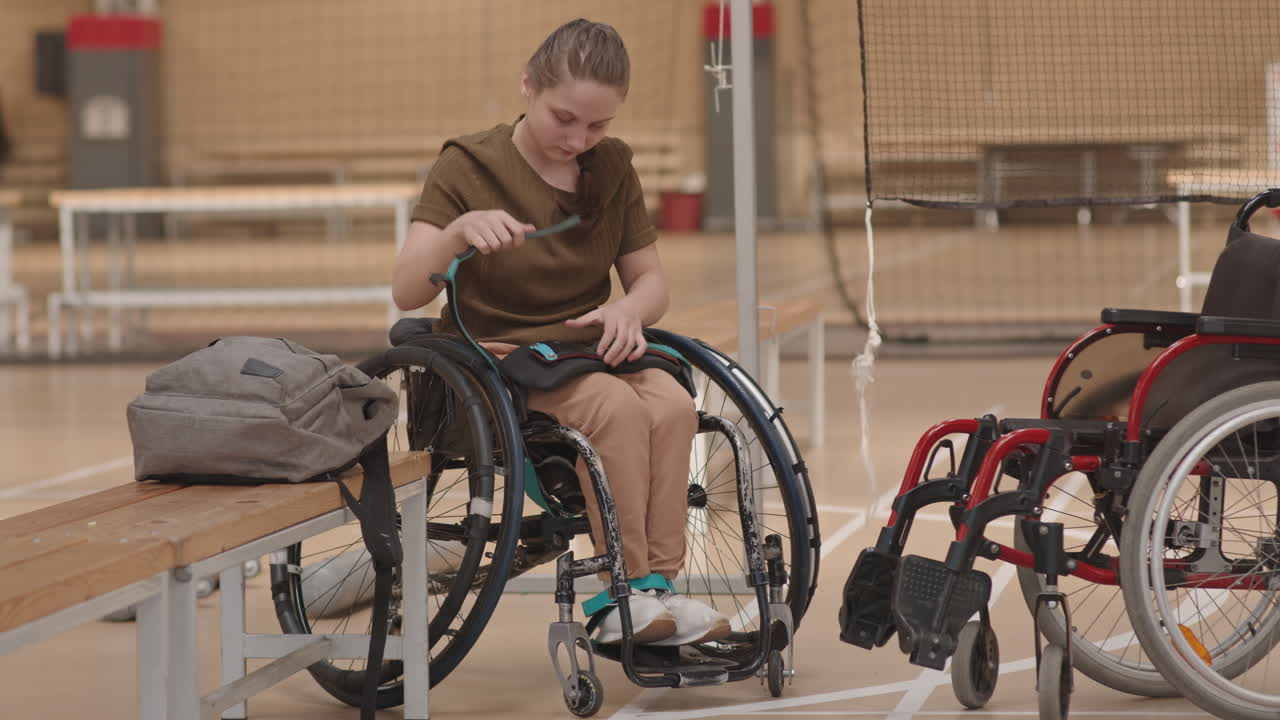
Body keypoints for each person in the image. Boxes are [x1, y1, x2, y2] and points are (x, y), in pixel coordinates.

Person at [391, 19, 729, 646]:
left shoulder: (613, 169)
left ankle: (657, 588)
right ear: (527, 85)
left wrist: (630, 311)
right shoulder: (467, 165)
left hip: (587, 351)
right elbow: (407, 289)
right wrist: (459, 230)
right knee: (615, 410)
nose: (579, 139)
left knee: (676, 405)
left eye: (597, 125)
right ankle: (617, 593)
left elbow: (651, 281)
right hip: (499, 354)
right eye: (564, 118)